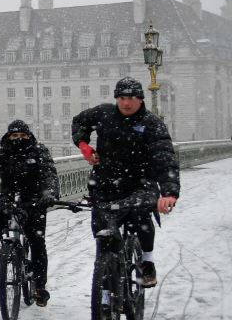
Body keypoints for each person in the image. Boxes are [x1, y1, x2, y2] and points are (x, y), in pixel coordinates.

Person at [71, 77, 180, 288]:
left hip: (140, 183)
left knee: (140, 218)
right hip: (105, 183)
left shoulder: (151, 123)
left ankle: (147, 261)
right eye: (122, 98)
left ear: (140, 99)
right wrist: (84, 145)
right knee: (103, 230)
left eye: (131, 98)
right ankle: (107, 271)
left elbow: (165, 159)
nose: (126, 103)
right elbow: (79, 121)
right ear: (116, 99)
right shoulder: (104, 114)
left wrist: (169, 193)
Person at [0, 120, 60, 306]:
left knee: (36, 241)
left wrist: (49, 193)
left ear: (28, 136)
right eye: (15, 136)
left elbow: (49, 174)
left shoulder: (38, 150)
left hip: (34, 199)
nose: (19, 139)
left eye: (23, 136)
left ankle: (39, 287)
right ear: (8, 136)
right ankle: (6, 246)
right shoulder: (0, 150)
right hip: (8, 196)